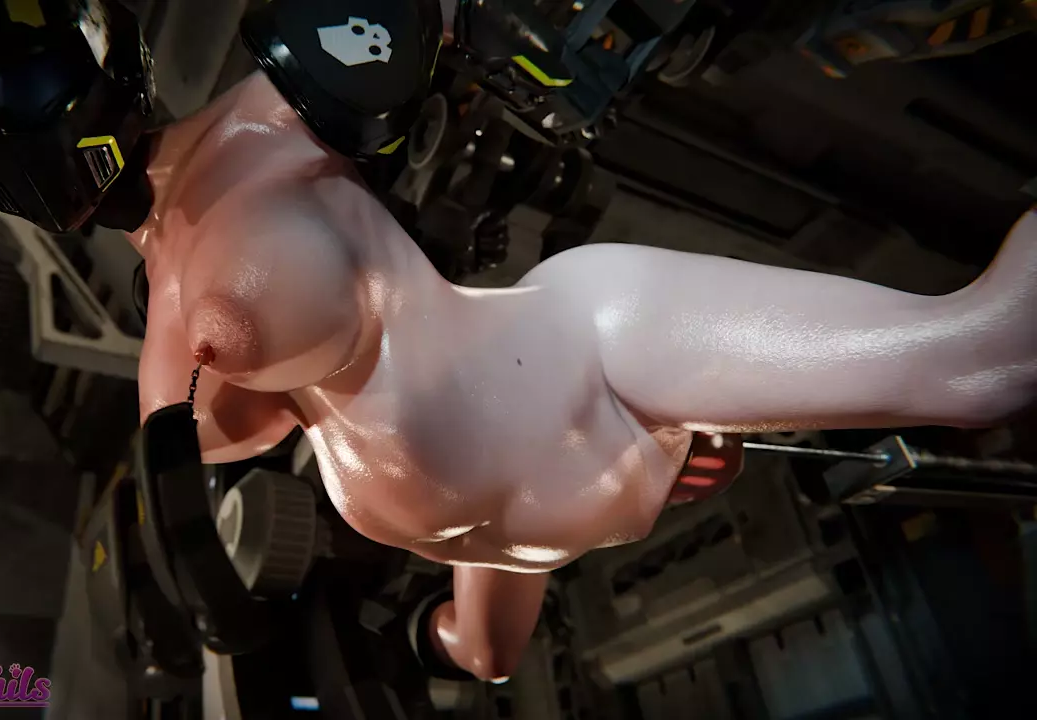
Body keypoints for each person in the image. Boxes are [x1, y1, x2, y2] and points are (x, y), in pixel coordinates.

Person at [129, 72, 1037, 681]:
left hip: (527, 428)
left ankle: (454, 626)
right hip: (529, 441)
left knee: (982, 364)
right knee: (982, 363)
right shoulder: (186, 249)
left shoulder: (265, 120)